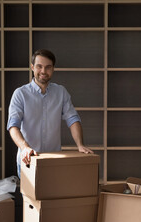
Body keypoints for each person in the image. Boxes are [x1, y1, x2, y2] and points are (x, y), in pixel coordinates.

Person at [7, 49, 93, 177]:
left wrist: (80, 145)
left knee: (53, 196)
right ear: (32, 67)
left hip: (54, 160)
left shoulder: (61, 92)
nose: (43, 71)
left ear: (53, 69)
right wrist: (25, 147)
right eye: (39, 66)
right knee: (30, 197)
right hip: (29, 159)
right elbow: (13, 126)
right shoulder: (20, 94)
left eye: (48, 67)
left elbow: (73, 119)